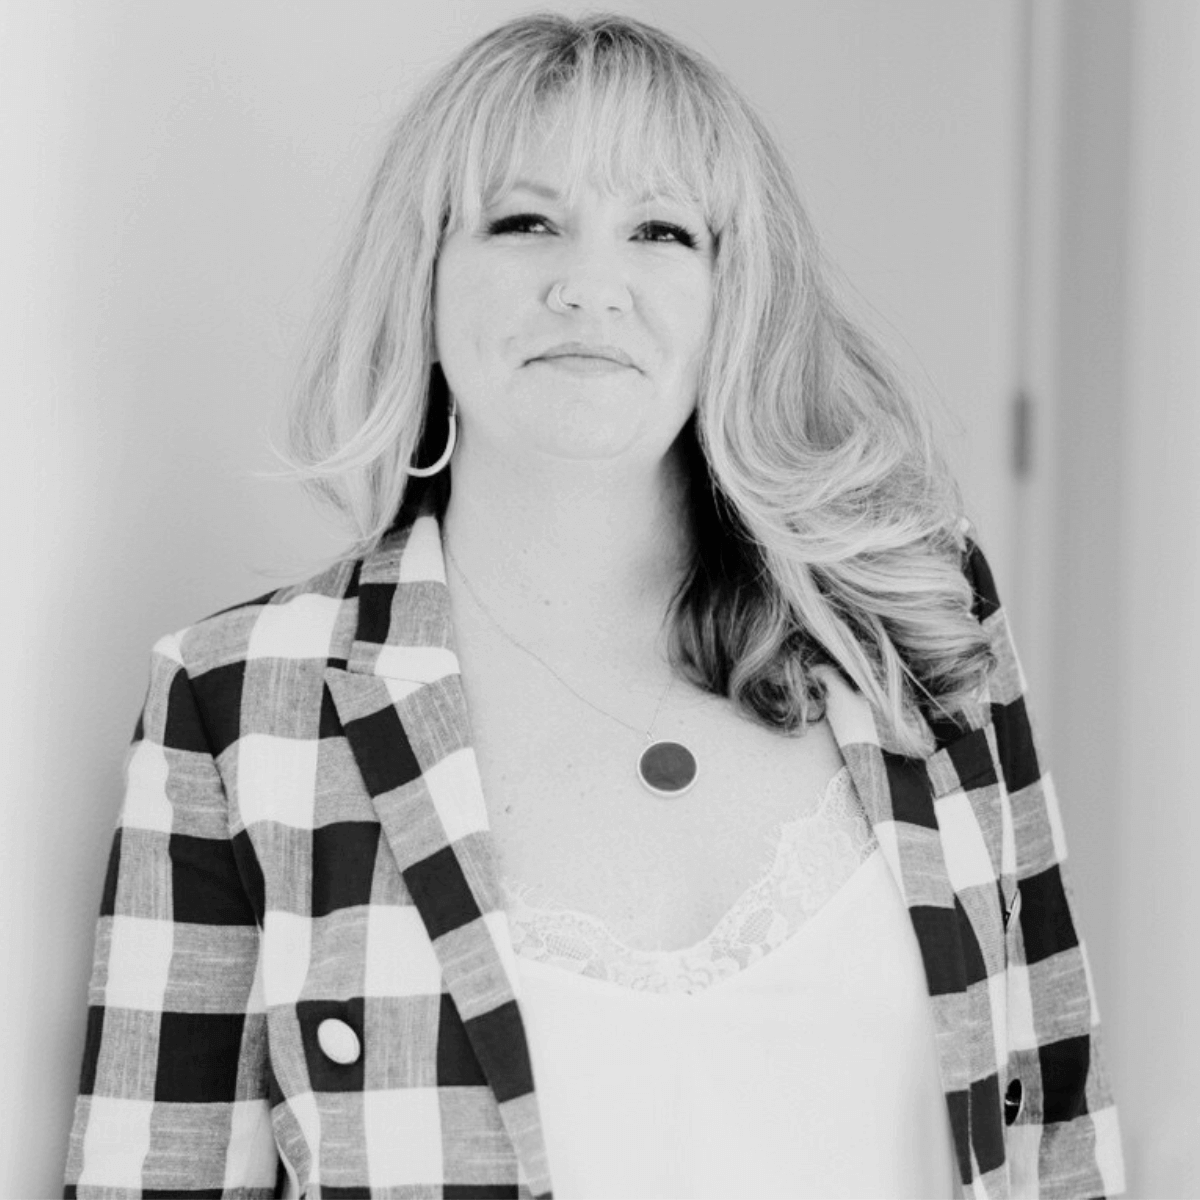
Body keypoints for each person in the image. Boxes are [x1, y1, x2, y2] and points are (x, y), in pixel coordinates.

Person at [64, 11, 1125, 1199]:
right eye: (524, 222)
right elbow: (155, 1171)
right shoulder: (238, 701)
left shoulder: (910, 616)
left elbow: (1063, 1128)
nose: (589, 286)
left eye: (661, 230)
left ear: (736, 294)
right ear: (422, 278)